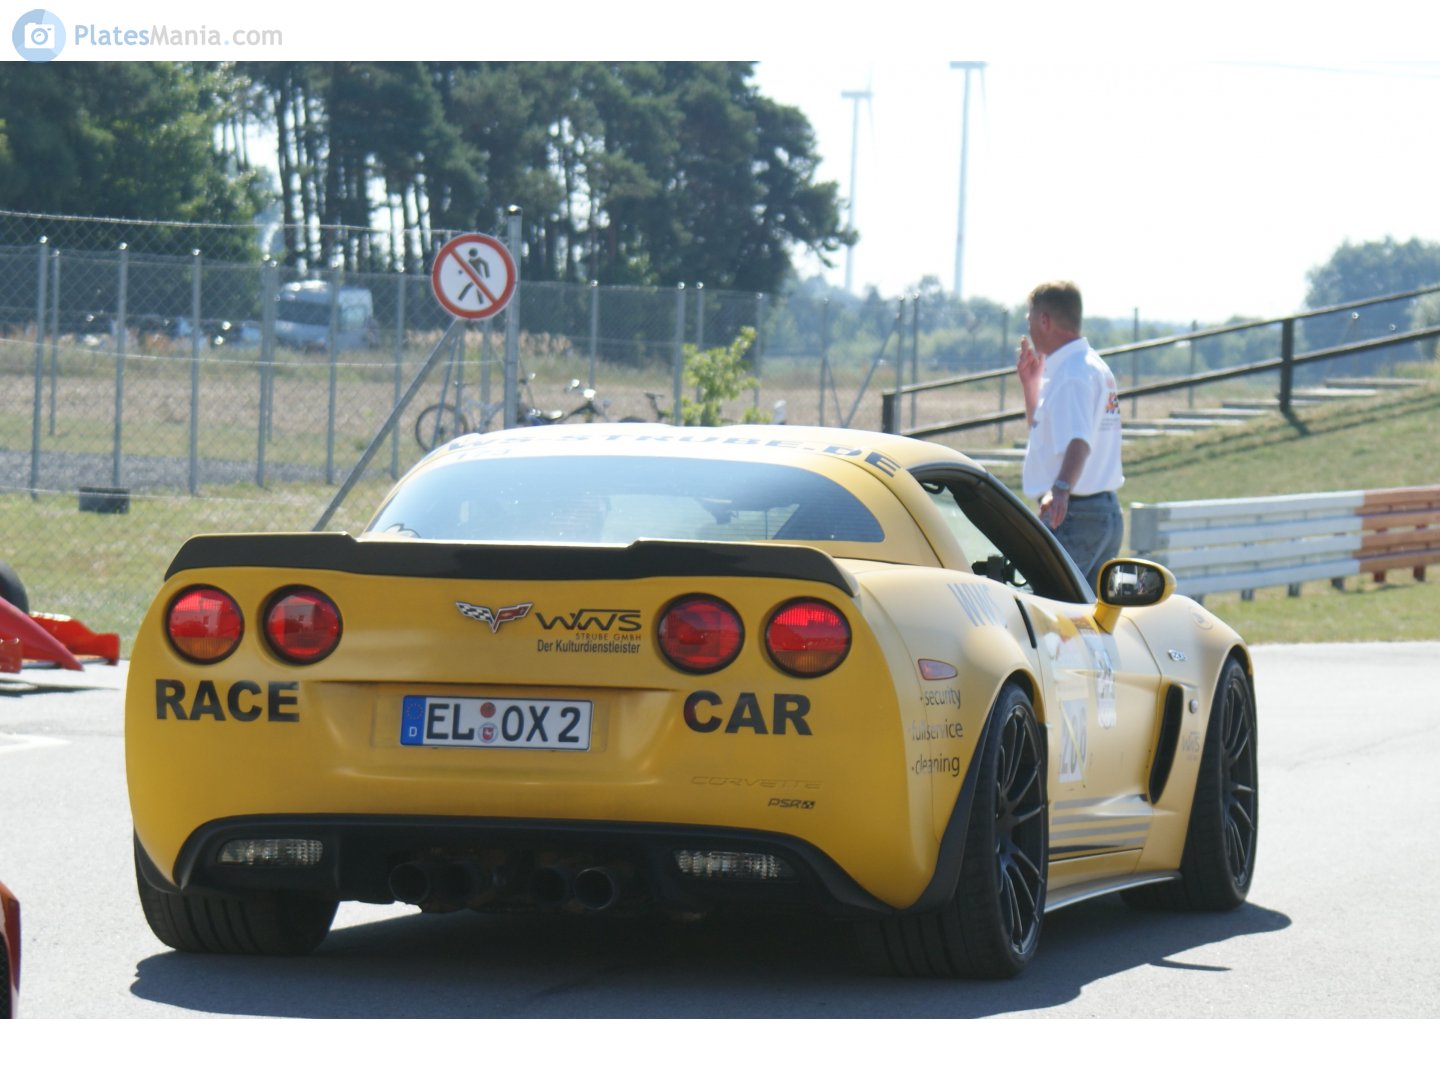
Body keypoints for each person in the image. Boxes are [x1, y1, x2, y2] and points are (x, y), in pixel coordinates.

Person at [1016, 280, 1124, 587]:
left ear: (1045, 321)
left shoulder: (1071, 375)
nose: (1029, 329)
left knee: (1049, 608)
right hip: (1101, 512)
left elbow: (1079, 440)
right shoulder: (1090, 366)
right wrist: (1031, 387)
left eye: (1030, 321)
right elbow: (1048, 439)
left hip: (1075, 514)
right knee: (1085, 622)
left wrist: (1061, 489)